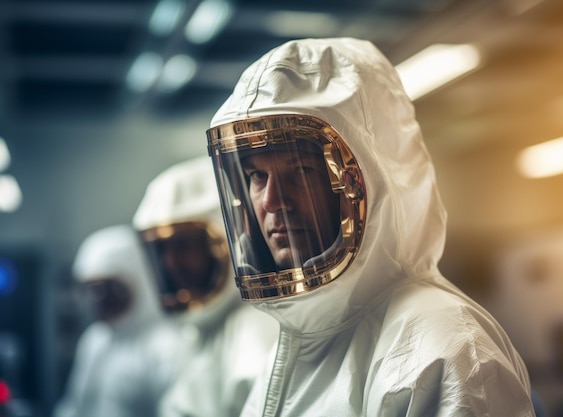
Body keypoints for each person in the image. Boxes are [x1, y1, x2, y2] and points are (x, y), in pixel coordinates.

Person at [206, 37, 537, 416]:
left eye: (301, 171)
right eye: (257, 176)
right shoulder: (300, 341)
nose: (271, 201)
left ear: (376, 175)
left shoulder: (442, 353)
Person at [132, 156, 278, 417]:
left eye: (184, 245)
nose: (171, 263)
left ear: (224, 240)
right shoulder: (196, 331)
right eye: (163, 250)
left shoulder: (255, 332)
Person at [53, 225, 183, 417]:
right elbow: (74, 405)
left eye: (109, 287)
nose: (99, 298)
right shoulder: (94, 340)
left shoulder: (166, 346)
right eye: (93, 289)